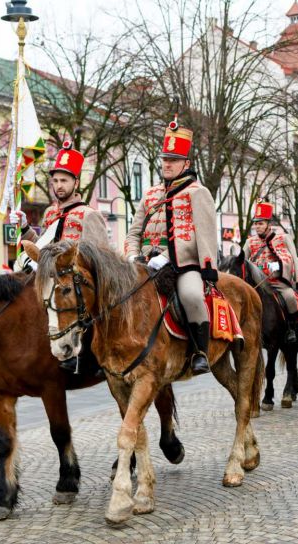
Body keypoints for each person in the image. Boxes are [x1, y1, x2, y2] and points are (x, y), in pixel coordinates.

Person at [125, 114, 218, 373]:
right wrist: (133, 255)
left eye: (173, 160)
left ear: (185, 163)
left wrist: (167, 256)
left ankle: (200, 352)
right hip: (144, 262)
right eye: (165, 159)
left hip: (182, 264)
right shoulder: (151, 193)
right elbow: (134, 231)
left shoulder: (197, 192)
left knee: (190, 295)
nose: (167, 164)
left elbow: (202, 236)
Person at [19, 140, 109, 375]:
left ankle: (86, 357)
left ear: (75, 183)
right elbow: (42, 244)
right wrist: (25, 227)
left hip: (78, 282)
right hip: (52, 279)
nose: (59, 186)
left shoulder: (88, 215)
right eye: (56, 181)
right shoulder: (50, 212)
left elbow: (101, 259)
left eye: (64, 181)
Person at [242, 201, 298, 343]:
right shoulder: (250, 242)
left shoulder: (283, 238)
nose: (257, 226)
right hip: (256, 282)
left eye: (261, 223)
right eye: (256, 223)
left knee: (289, 297)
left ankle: (291, 327)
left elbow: (291, 257)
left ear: (269, 224)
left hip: (276, 281)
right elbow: (242, 261)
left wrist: (280, 265)